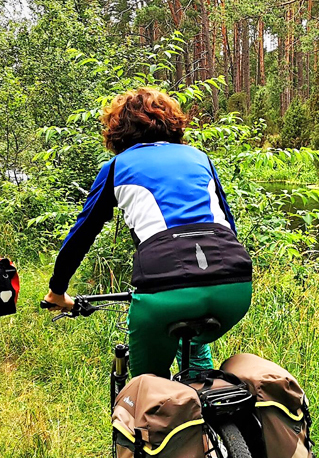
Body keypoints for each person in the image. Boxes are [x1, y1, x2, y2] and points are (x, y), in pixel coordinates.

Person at [42, 87, 252, 379]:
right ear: (173, 123)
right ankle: (207, 398)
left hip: (164, 291)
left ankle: (154, 415)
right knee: (193, 347)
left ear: (118, 132)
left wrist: (57, 290)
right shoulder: (199, 157)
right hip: (235, 287)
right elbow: (228, 222)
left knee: (149, 390)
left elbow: (81, 235)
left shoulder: (117, 166)